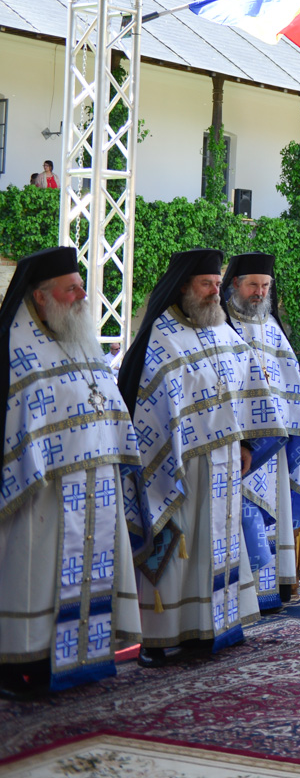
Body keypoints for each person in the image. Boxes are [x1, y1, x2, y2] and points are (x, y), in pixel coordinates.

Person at [0, 247, 141, 698]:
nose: (83, 296)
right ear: (41, 296)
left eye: (81, 286)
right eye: (72, 288)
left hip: (94, 482)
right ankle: (18, 663)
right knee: (32, 576)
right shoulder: (14, 345)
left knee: (84, 573)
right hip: (38, 490)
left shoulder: (79, 335)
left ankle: (81, 654)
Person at [118, 249, 263, 667]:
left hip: (224, 460)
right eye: (207, 284)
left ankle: (213, 625)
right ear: (183, 286)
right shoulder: (160, 336)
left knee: (215, 542)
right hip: (176, 464)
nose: (216, 292)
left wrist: (246, 444)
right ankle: (162, 638)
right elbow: (146, 406)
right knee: (179, 543)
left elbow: (246, 390)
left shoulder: (223, 330)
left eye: (218, 284)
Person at [221, 252, 300, 612]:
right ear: (234, 284)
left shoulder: (272, 328)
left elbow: (290, 383)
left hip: (273, 445)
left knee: (271, 514)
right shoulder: (219, 325)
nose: (259, 293)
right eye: (253, 285)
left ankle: (270, 592)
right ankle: (240, 595)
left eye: (265, 286)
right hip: (238, 444)